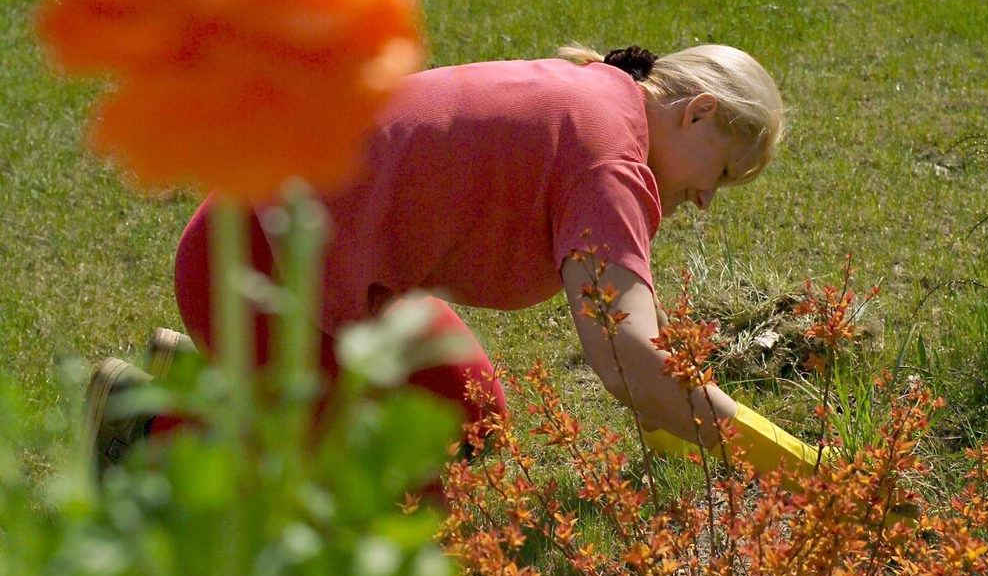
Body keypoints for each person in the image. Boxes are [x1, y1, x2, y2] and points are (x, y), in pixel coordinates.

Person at [89, 43, 824, 485]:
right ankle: (146, 429)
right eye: (721, 176)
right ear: (695, 112)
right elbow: (631, 360)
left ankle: (218, 377)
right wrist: (798, 469)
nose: (704, 203)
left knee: (468, 421)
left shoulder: (606, 98)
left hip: (307, 263)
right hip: (250, 268)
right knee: (398, 495)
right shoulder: (609, 162)